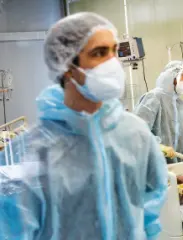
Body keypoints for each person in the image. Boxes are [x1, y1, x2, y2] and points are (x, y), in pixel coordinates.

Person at [0, 12, 168, 240]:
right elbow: (11, 229)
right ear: (67, 66)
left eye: (114, 51)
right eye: (99, 53)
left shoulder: (136, 134)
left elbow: (150, 210)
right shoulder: (30, 152)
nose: (113, 63)